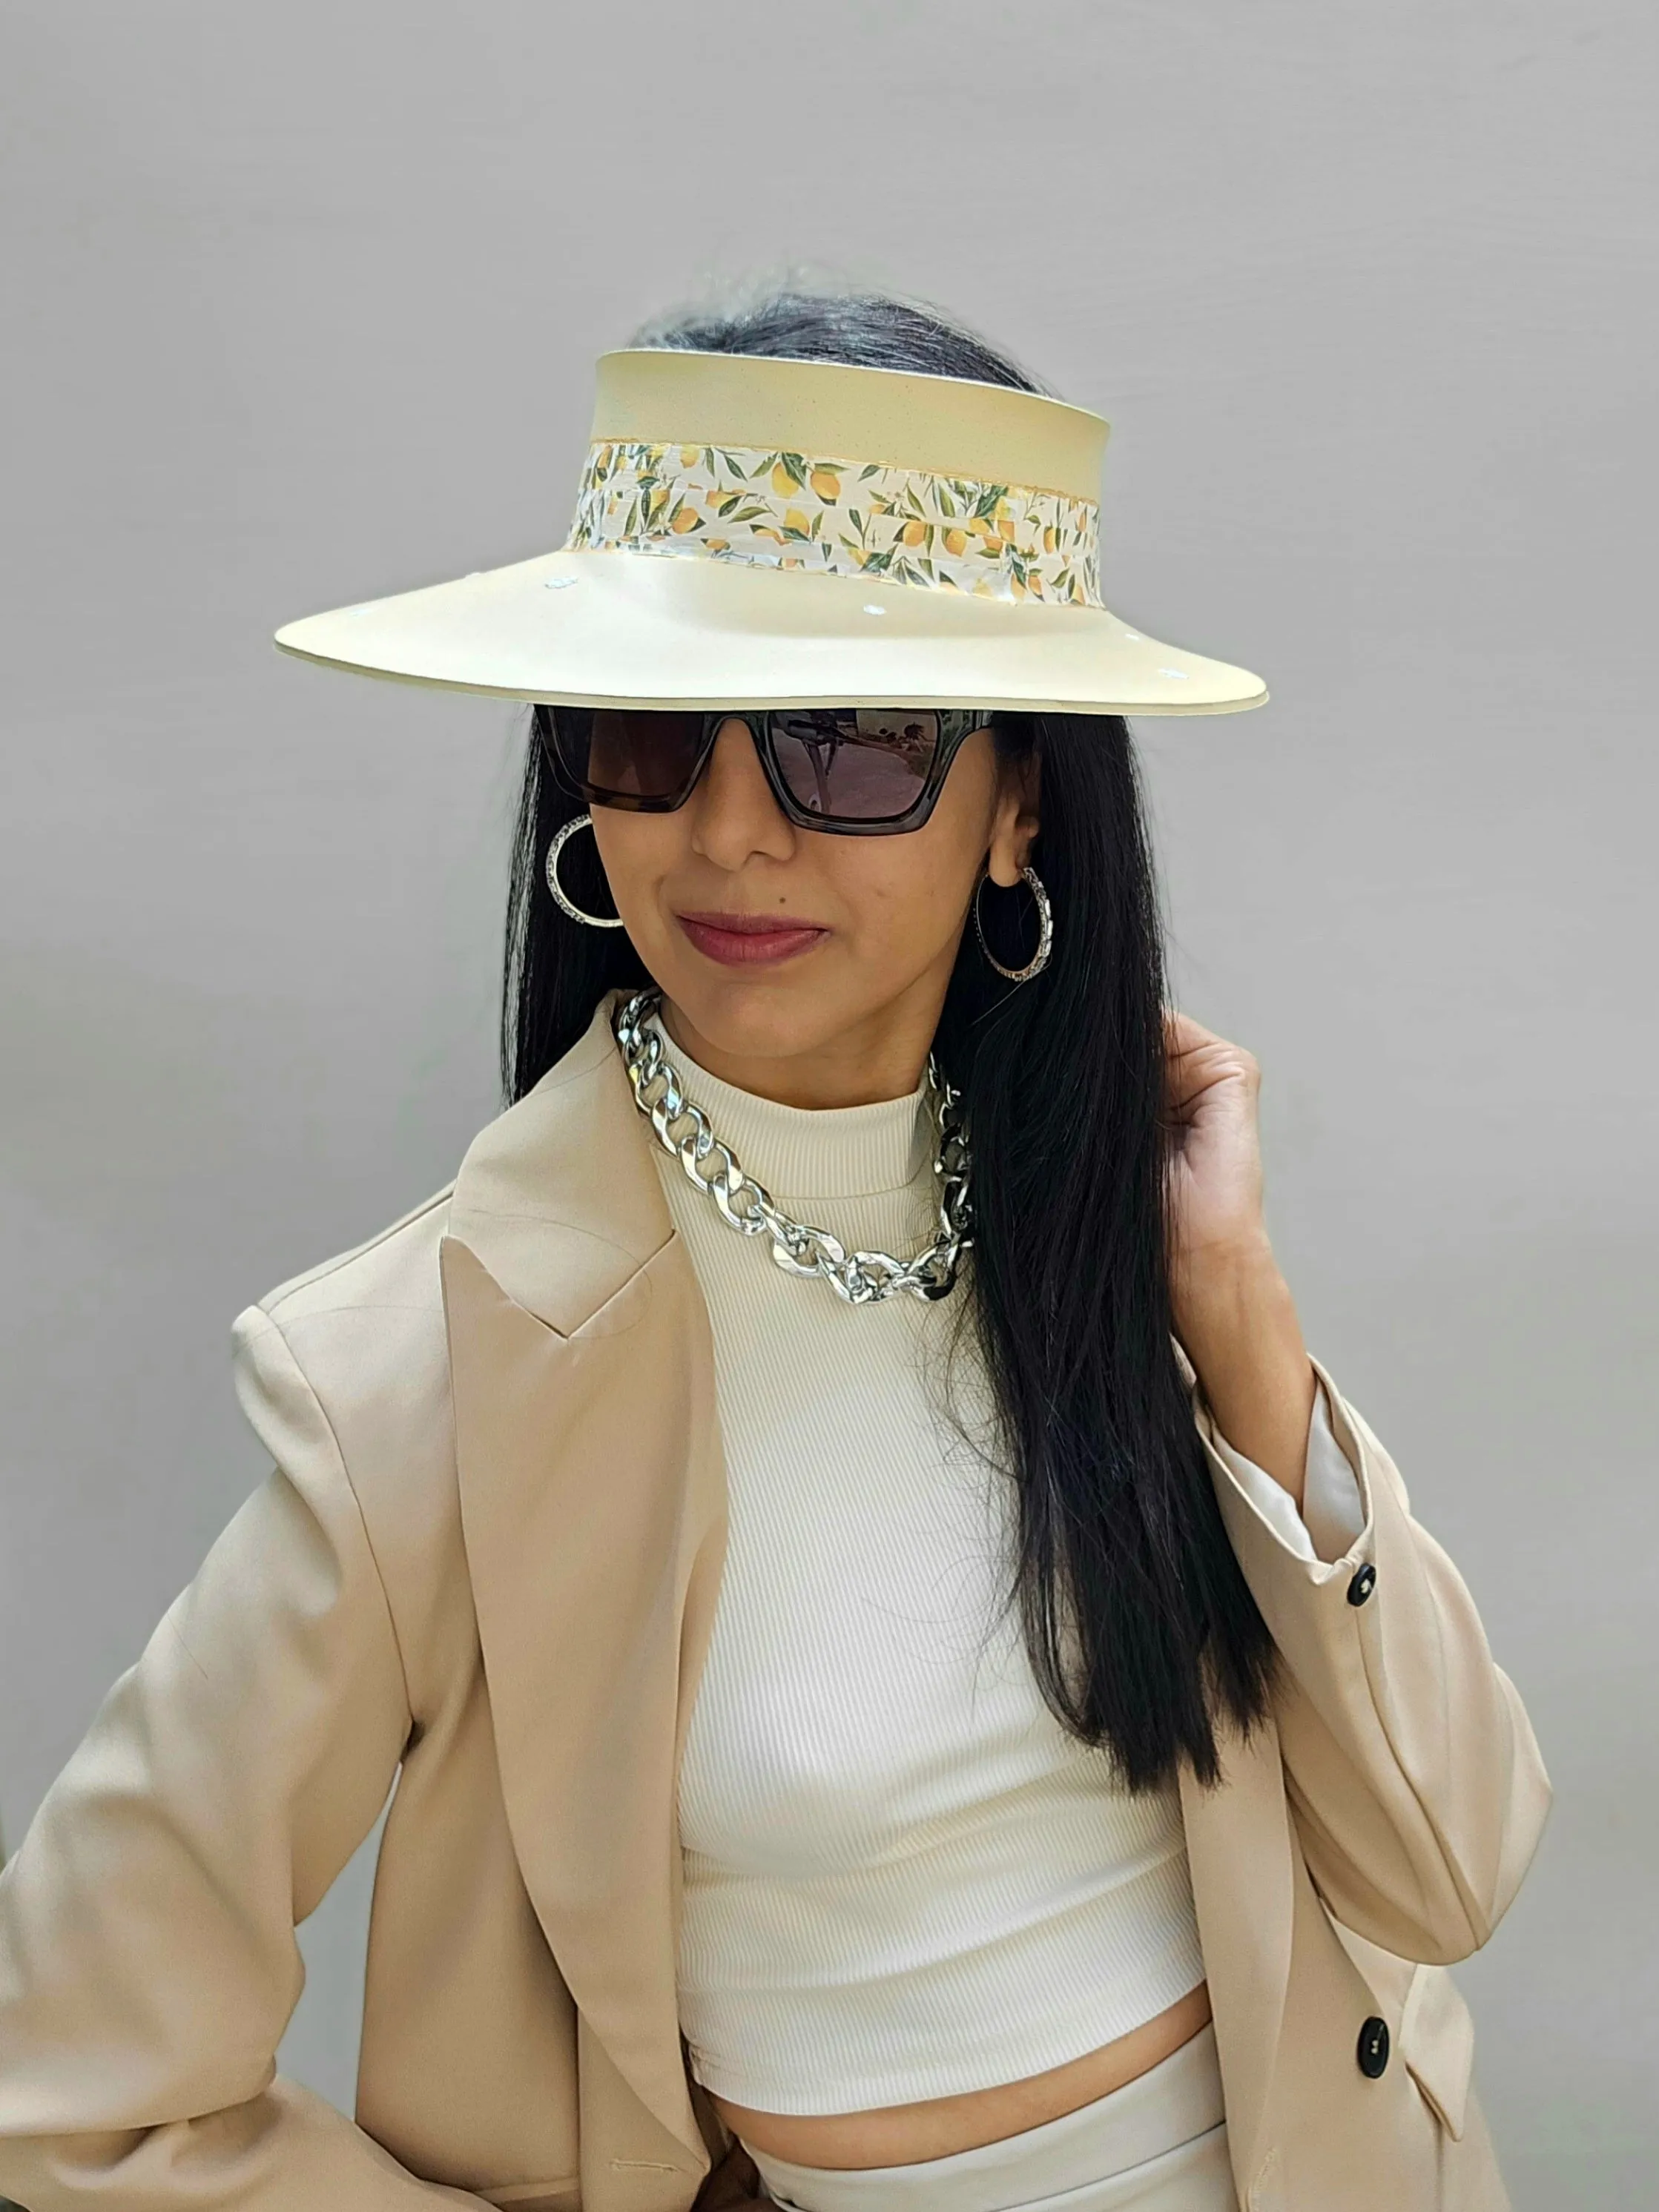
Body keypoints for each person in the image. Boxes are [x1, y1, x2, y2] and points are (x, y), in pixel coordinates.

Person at [0, 287, 1550, 2212]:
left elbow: (1449, 1863)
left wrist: (1237, 1323)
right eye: (653, 735)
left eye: (849, 739)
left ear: (1019, 812)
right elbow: (75, 2080)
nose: (731, 827)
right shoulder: (425, 1366)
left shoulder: (1113, 1236)